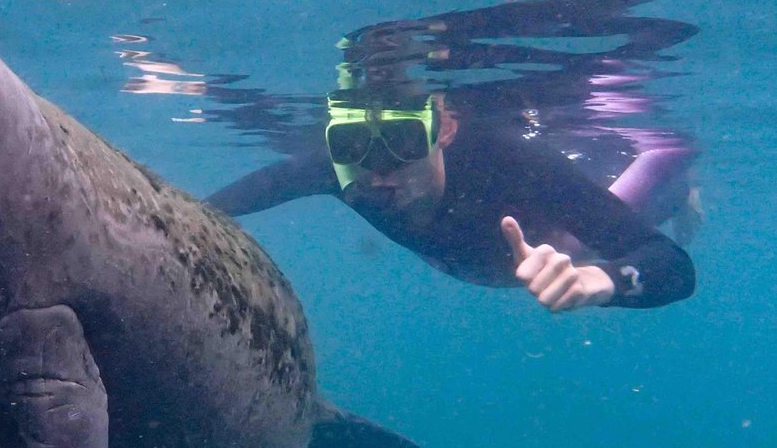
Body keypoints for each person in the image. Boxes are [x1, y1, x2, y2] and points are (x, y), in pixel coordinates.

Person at [206, 85, 695, 311]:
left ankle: (680, 188)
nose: (380, 170)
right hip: (484, 264)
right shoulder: (337, 170)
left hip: (561, 247)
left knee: (648, 180)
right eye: (353, 146)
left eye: (402, 140)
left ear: (445, 129)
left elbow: (672, 266)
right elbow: (208, 209)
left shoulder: (512, 163)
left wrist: (599, 281)